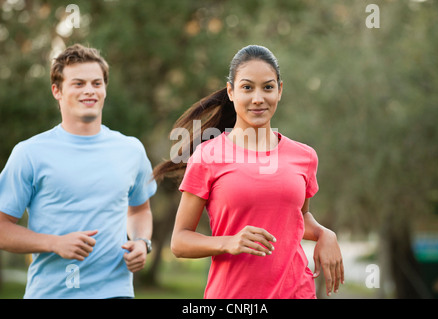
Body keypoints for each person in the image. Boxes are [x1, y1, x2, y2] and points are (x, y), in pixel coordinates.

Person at [153, 45, 344, 299]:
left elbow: (297, 218)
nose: (258, 98)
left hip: (296, 292)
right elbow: (179, 242)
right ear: (231, 92)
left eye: (267, 87)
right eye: (247, 87)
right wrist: (228, 242)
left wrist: (324, 233)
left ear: (280, 90)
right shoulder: (208, 156)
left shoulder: (304, 157)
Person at [0, 44, 157, 299]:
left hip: (117, 293)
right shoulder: (29, 153)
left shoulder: (131, 150)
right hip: (53, 294)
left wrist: (141, 242)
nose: (89, 91)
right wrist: (54, 243)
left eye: (97, 83)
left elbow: (140, 209)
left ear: (105, 89)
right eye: (78, 83)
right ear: (57, 91)